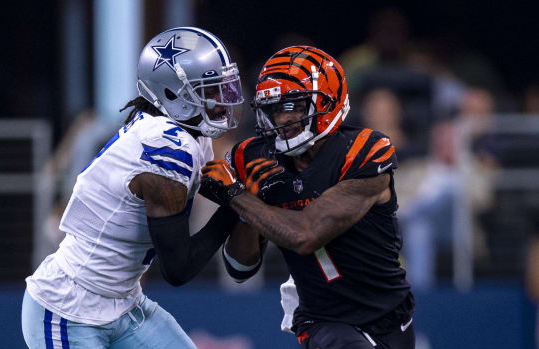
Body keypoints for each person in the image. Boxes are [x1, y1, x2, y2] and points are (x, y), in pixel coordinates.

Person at [21, 27, 244, 348]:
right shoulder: (165, 152)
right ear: (171, 93)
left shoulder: (186, 135)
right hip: (68, 307)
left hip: (125, 302)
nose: (224, 100)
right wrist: (235, 204)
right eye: (210, 90)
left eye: (223, 87)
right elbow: (178, 269)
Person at [199, 46, 415, 348]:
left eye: (291, 107)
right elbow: (240, 267)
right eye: (273, 109)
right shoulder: (257, 158)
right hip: (323, 321)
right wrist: (249, 206)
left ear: (326, 102)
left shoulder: (364, 151)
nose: (280, 119)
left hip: (391, 316)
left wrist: (236, 196)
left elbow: (307, 233)